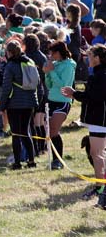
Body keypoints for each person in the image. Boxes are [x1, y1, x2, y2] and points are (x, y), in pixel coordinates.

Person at [61, 44, 106, 208]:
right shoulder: (98, 74)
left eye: (90, 55)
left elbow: (95, 96)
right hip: (99, 120)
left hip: (100, 121)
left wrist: (74, 93)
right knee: (99, 154)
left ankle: (100, 189)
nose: (87, 58)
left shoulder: (100, 75)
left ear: (98, 58)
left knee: (97, 155)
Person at [0, 41, 39, 170]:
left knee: (16, 134)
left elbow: (6, 88)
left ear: (9, 52)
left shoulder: (10, 66)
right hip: (30, 102)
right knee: (26, 131)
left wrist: (2, 105)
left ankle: (17, 163)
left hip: (15, 103)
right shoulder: (29, 62)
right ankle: (31, 161)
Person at [43, 41, 76, 170]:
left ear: (58, 52)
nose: (51, 56)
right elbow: (50, 85)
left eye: (52, 53)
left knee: (53, 130)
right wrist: (47, 73)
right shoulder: (54, 65)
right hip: (51, 100)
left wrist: (51, 72)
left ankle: (58, 160)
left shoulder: (69, 65)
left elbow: (64, 85)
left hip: (63, 101)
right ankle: (55, 158)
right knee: (50, 132)